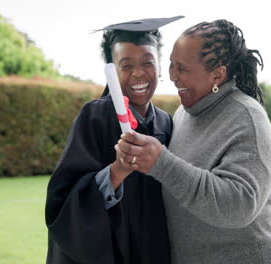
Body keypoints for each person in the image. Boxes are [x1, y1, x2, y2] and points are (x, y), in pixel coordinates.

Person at [116, 19, 271, 264]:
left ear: (217, 75)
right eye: (170, 64)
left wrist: (161, 163)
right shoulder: (184, 113)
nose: (171, 76)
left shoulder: (247, 119)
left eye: (182, 68)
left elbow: (239, 205)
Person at [45, 16, 183, 264]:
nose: (138, 73)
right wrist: (116, 172)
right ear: (112, 71)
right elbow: (63, 202)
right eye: (126, 65)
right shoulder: (95, 117)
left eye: (147, 62)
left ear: (160, 67)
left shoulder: (165, 123)